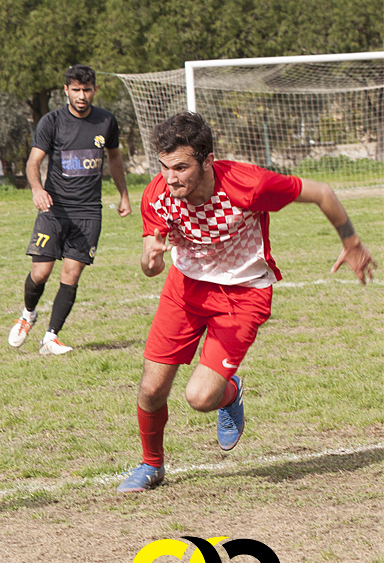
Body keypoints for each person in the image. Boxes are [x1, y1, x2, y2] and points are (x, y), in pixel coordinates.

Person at [118, 111, 376, 493]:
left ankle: (231, 392)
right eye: (164, 167)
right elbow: (149, 266)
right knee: (151, 390)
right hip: (185, 289)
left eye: (181, 167)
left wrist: (351, 241)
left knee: (200, 398)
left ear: (207, 161)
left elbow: (322, 192)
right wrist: (150, 259)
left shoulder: (248, 185)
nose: (170, 178)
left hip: (243, 294)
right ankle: (151, 465)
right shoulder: (158, 194)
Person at [8, 64, 131, 356]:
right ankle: (28, 314)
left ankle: (50, 337)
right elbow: (32, 162)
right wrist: (38, 189)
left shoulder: (106, 122)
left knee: (71, 274)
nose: (82, 95)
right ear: (66, 90)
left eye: (87, 90)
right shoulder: (51, 122)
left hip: (89, 211)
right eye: (76, 90)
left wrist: (124, 194)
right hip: (55, 209)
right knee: (40, 272)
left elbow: (114, 159)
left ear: (94, 90)